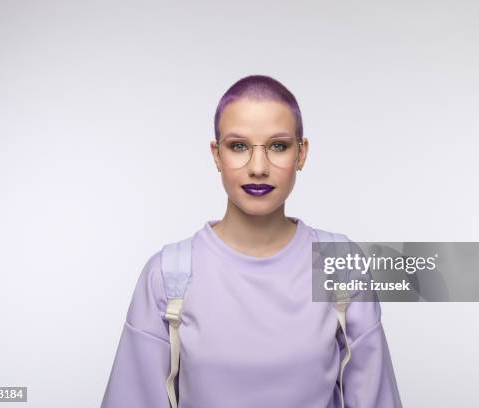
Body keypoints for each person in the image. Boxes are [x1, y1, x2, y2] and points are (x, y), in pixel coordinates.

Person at [101, 75, 402, 408]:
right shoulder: (167, 275)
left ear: (301, 153)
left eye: (278, 145)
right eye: (238, 146)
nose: (258, 168)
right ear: (217, 155)